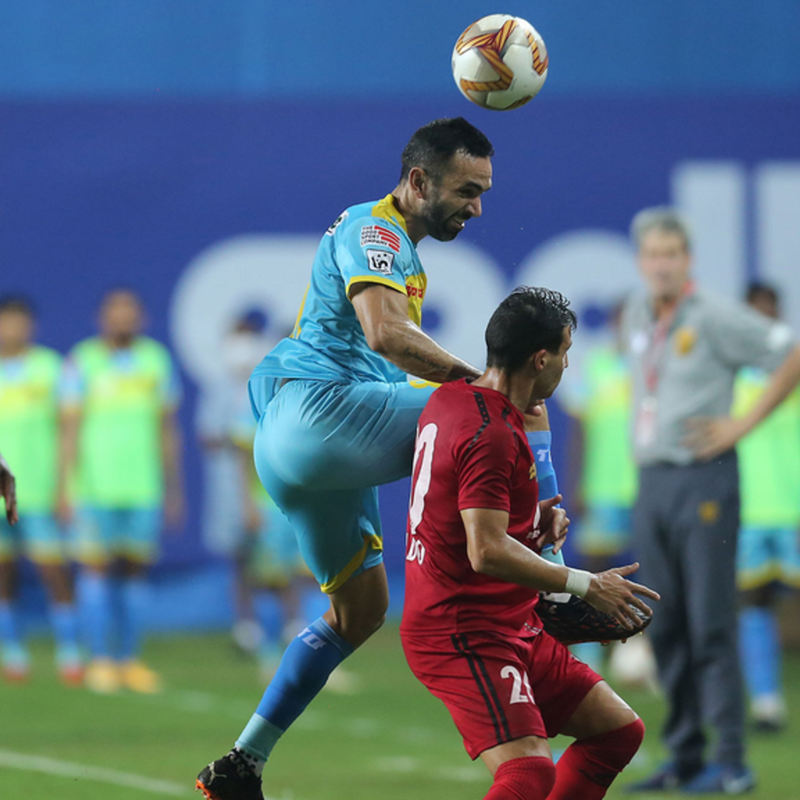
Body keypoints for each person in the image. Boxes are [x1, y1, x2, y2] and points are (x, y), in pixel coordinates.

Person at [197, 117, 500, 800]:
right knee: (500, 409)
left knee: (359, 612)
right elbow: (386, 335)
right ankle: (550, 586)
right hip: (318, 416)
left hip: (297, 449)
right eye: (466, 190)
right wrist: (483, 384)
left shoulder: (398, 250)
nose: (477, 207)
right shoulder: (376, 229)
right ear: (418, 181)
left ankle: (242, 763)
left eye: (483, 192)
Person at [401, 287, 659, 800]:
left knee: (616, 732)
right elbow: (486, 550)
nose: (567, 365)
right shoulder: (493, 432)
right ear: (541, 359)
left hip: (506, 619)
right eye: (565, 352)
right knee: (528, 774)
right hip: (463, 628)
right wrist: (586, 585)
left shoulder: (454, 397)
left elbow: (464, 514)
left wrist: (531, 523)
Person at [621, 208, 800, 794]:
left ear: (688, 259)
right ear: (641, 261)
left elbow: (790, 353)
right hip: (652, 481)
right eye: (653, 255)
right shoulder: (639, 313)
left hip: (705, 477)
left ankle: (730, 759)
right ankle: (685, 755)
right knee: (665, 620)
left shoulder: (716, 314)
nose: (662, 265)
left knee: (711, 619)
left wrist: (741, 424)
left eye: (672, 254)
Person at [60, 289, 184, 694]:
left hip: (143, 487)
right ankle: (99, 660)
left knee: (135, 572)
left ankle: (129, 660)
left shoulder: (155, 360)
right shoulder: (82, 360)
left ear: (142, 318)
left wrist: (173, 487)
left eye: (130, 312)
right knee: (94, 570)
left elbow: (167, 428)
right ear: (101, 318)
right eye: (115, 312)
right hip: (93, 488)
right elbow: (69, 427)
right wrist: (64, 485)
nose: (123, 318)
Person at [0, 297, 82, 685]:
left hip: (38, 489)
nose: (13, 329)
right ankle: (12, 652)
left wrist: (64, 485)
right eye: (7, 321)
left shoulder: (52, 367)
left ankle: (70, 650)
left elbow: (69, 429)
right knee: (3, 574)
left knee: (53, 570)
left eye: (20, 322)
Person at [733, 282, 800, 732]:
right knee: (752, 601)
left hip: (794, 508)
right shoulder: (731, 376)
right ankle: (766, 700)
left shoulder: (794, 371)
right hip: (751, 510)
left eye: (769, 313)